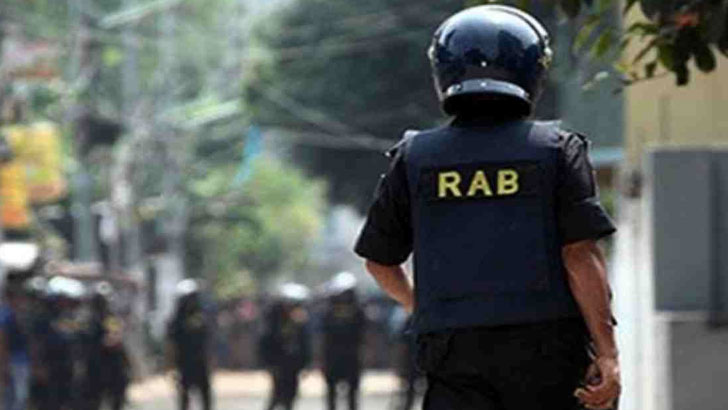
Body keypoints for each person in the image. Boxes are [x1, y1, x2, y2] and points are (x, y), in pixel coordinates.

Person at [354, 5, 620, 410]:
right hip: (547, 352)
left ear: (443, 72)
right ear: (533, 70)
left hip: (454, 353)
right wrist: (607, 352)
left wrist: (423, 307)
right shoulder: (556, 150)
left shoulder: (414, 157)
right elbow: (579, 255)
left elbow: (379, 261)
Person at [259, 283, 311, 410]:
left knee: (291, 394)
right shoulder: (273, 320)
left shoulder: (300, 320)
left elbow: (304, 343)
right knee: (277, 394)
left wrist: (305, 363)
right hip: (277, 362)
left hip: (294, 363)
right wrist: (268, 363)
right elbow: (266, 341)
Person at [81, 282, 130, 410]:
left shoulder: (111, 319)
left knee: (116, 400)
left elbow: (115, 338)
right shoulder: (88, 320)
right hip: (95, 367)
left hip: (112, 366)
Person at [321, 273, 366, 410]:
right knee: (331, 392)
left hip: (352, 355)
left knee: (352, 393)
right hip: (332, 356)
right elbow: (323, 335)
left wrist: (365, 353)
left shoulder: (358, 311)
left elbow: (365, 334)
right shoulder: (328, 311)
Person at [167, 279, 213, 410]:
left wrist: (210, 358)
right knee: (184, 396)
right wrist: (171, 365)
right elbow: (171, 343)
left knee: (205, 394)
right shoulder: (176, 320)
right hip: (183, 362)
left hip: (200, 361)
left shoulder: (201, 316)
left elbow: (207, 339)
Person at [0, 283, 31, 410]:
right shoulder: (6, 314)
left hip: (19, 360)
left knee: (15, 397)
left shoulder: (16, 314)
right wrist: (4, 364)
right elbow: (3, 340)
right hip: (13, 361)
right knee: (17, 397)